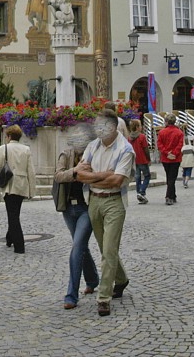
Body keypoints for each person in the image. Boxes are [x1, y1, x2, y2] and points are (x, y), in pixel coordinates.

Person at [75, 110, 133, 317]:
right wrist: (103, 175)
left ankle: (104, 297)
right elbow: (79, 174)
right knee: (104, 248)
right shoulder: (93, 146)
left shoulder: (125, 149)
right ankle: (122, 279)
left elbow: (117, 181)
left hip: (114, 202)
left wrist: (92, 176)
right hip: (94, 202)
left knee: (109, 250)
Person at [53, 140, 98, 309]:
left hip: (86, 208)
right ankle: (93, 278)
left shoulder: (94, 157)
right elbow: (58, 176)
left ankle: (71, 294)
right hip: (68, 209)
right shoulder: (66, 155)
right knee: (81, 246)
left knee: (78, 246)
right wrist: (75, 171)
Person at [0, 125, 36, 253]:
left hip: (9, 186)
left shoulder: (2, 148)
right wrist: (32, 190)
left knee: (13, 216)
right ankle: (9, 238)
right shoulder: (26, 149)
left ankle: (19, 246)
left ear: (9, 136)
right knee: (15, 213)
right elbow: (31, 171)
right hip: (21, 185)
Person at [156, 114, 184, 205]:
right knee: (172, 178)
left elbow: (159, 144)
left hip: (165, 158)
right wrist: (174, 153)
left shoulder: (161, 132)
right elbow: (180, 145)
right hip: (176, 158)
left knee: (169, 176)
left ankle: (173, 195)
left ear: (166, 122)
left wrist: (166, 152)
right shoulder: (179, 132)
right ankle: (169, 196)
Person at [127, 119, 150, 205]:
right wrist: (149, 159)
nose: (141, 127)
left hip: (134, 160)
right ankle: (142, 192)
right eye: (140, 125)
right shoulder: (142, 136)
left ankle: (138, 193)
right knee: (147, 176)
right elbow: (145, 149)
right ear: (137, 127)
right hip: (142, 159)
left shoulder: (129, 137)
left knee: (137, 177)